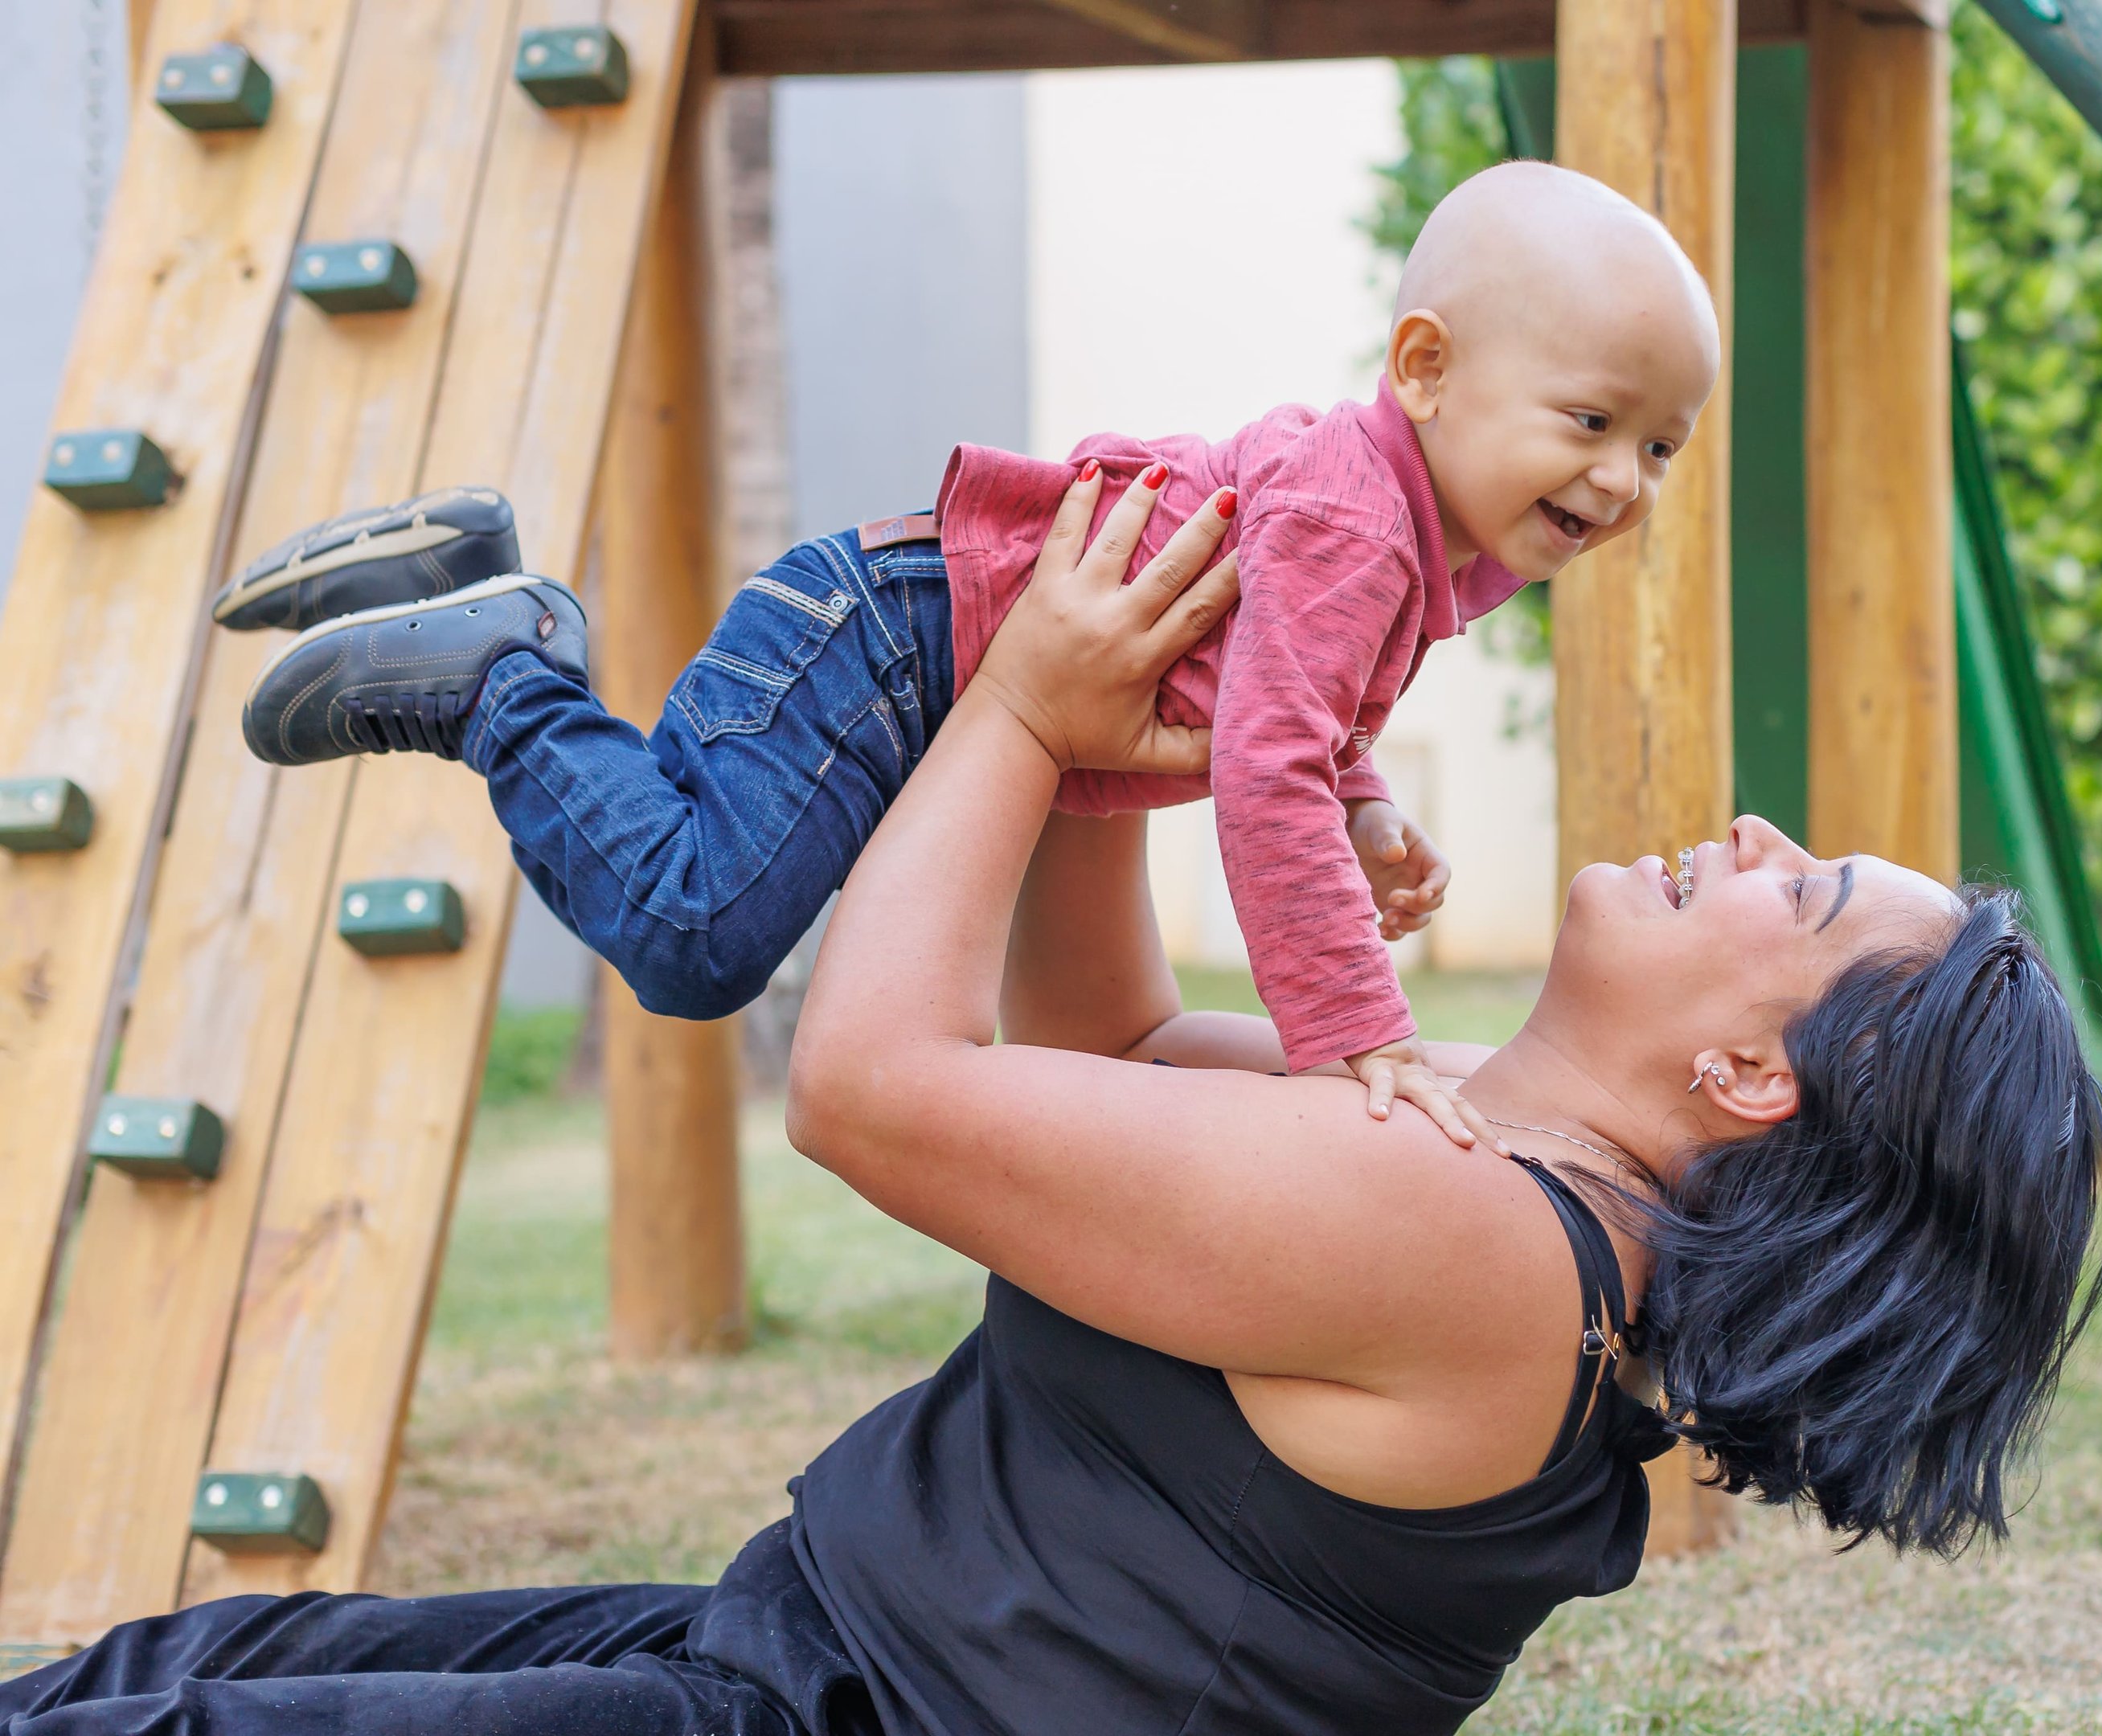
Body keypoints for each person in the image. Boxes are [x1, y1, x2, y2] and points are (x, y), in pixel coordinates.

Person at [2, 468, 2102, 1736]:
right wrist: (1146, 742)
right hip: (798, 1656)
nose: (1759, 831)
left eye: (1809, 887)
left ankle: (515, 675)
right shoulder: (1482, 1139)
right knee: (176, 1672)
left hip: (835, 1716)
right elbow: (1109, 1054)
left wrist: (1013, 705)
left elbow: (874, 1090)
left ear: (1753, 1072)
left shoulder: (1479, 1254)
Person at [215, 160, 1722, 1149]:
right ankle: (503, 674)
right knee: (693, 931)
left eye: (1660, 445)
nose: (1622, 481)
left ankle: (469, 573)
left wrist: (1368, 802)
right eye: (1590, 422)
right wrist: (1353, 1042)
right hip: (887, 643)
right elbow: (1264, 769)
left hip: (900, 641)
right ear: (1429, 369)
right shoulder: (1362, 522)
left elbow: (1299, 700)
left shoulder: (1407, 530)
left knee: (696, 917)